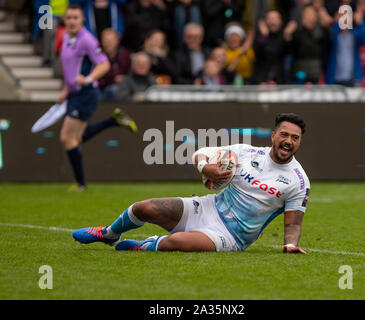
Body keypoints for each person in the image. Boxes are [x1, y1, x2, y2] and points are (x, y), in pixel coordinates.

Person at [72, 113, 310, 254]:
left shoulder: (298, 181)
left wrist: (290, 244)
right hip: (206, 207)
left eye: (294, 138)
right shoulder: (246, 153)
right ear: (273, 135)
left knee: (175, 242)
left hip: (230, 237)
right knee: (143, 207)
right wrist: (206, 168)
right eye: (284, 135)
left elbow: (293, 224)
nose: (288, 141)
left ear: (299, 142)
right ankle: (109, 233)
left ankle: (145, 246)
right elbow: (201, 153)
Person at [58, 4, 137, 191]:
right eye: (68, 18)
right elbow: (71, 70)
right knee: (74, 138)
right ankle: (113, 121)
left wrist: (88, 79)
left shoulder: (87, 40)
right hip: (74, 93)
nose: (71, 21)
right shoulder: (67, 38)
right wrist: (65, 90)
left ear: (82, 19)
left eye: (75, 18)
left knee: (67, 138)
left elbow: (104, 64)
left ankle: (81, 184)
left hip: (86, 93)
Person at [98, 28, 131, 99]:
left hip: (123, 87)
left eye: (111, 40)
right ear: (101, 41)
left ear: (117, 41)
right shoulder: (97, 56)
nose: (108, 43)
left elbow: (132, 73)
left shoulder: (125, 55)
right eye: (106, 40)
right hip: (102, 89)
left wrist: (125, 78)